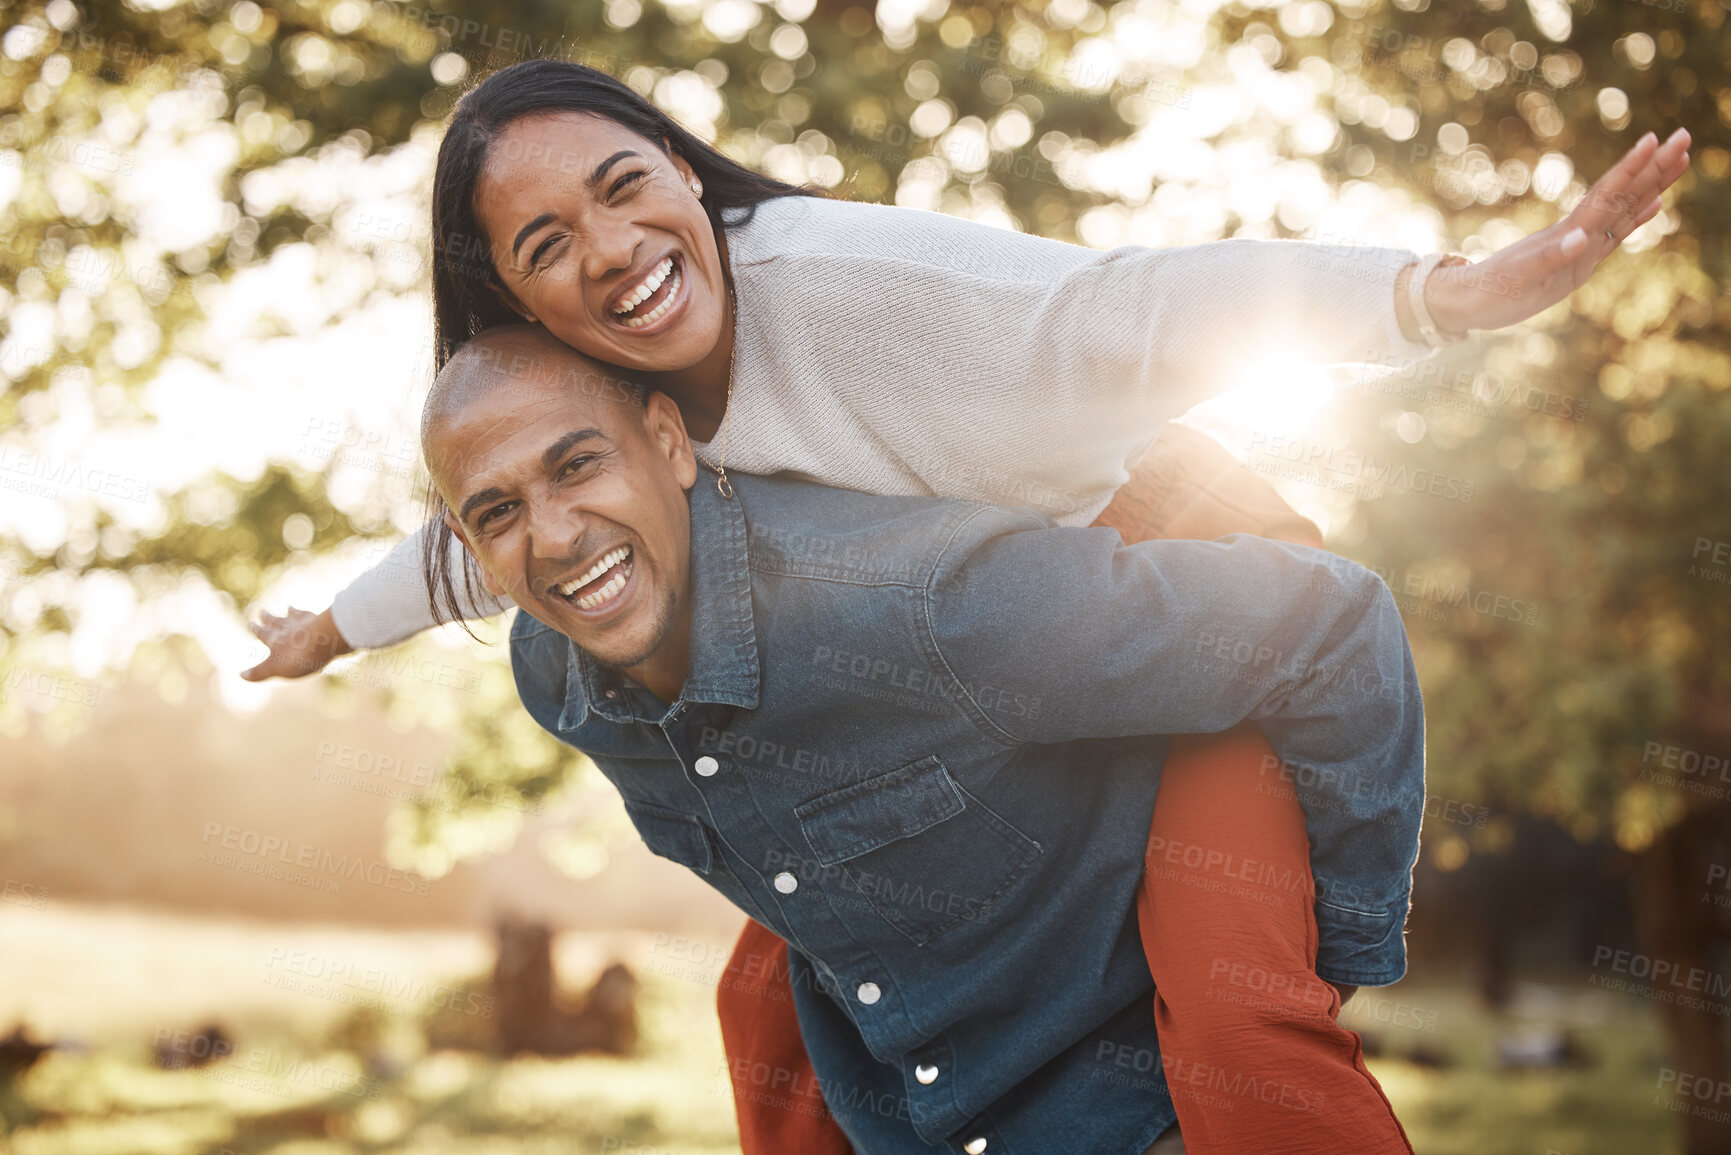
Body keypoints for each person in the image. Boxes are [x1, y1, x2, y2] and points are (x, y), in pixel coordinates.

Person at [239, 58, 1691, 1151]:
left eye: (624, 186)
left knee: (1239, 1008)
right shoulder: (600, 426)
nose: (606, 249)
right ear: (507, 303)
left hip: (1176, 580)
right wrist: (333, 627)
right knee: (771, 1010)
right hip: (952, 658)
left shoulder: (861, 286)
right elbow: (486, 534)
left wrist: (1436, 294)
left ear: (686, 171)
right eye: (543, 243)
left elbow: (1142, 308)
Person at [422, 323, 1426, 1154]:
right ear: (472, 552)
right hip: (928, 1089)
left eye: (579, 465)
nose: (551, 536)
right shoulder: (560, 678)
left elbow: (1330, 624)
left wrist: (1336, 950)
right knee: (754, 1000)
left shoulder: (928, 610)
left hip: (1182, 551)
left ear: (671, 443)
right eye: (500, 513)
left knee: (1245, 1025)